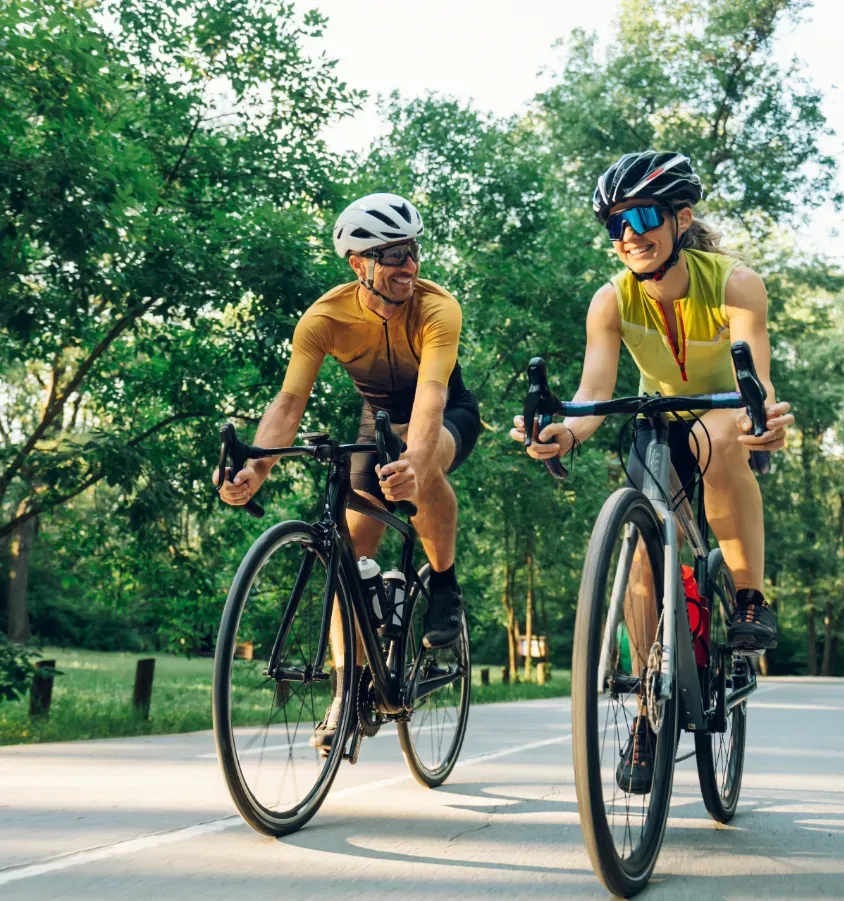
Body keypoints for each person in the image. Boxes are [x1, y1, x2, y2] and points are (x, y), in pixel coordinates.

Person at [510, 151, 793, 793]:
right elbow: (590, 396)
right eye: (615, 224)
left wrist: (764, 420)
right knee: (639, 552)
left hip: (726, 423)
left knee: (720, 435)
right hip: (657, 423)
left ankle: (748, 595)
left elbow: (759, 383)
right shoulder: (609, 301)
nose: (629, 234)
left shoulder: (735, 282)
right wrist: (560, 432)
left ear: (680, 217)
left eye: (641, 216)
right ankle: (646, 710)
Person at [215, 192, 481, 750]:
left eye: (412, 250)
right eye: (392, 255)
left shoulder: (438, 308)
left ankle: (445, 585)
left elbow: (431, 399)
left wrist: (415, 463)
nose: (408, 265)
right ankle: (346, 692)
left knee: (417, 457)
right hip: (377, 416)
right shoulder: (325, 318)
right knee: (349, 557)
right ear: (359, 264)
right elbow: (289, 404)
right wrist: (257, 470)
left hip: (445, 410)